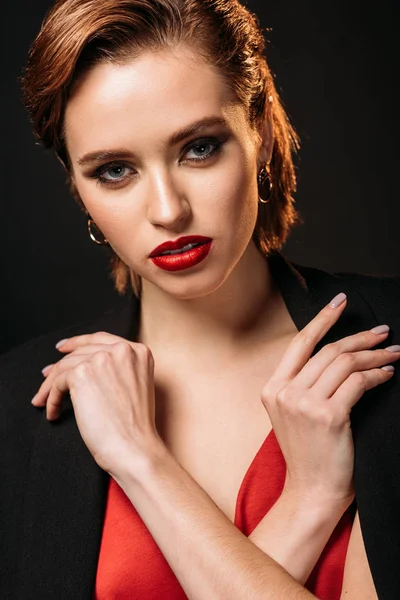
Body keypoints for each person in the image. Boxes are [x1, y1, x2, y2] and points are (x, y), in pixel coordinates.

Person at [1, 0, 399, 598]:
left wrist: (140, 460)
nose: (168, 210)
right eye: (114, 170)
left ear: (260, 134)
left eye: (199, 148)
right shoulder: (16, 405)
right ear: (79, 190)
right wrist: (311, 500)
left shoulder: (388, 350)